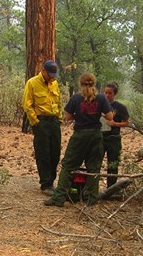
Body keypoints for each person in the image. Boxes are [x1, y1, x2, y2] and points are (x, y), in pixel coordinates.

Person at [45, 72, 113, 207]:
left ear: (80, 84)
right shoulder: (101, 98)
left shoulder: (76, 98)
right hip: (96, 135)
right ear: (94, 83)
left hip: (80, 136)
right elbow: (110, 117)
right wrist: (97, 114)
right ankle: (91, 198)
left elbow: (68, 117)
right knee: (94, 168)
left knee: (68, 166)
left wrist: (80, 116)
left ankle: (59, 197)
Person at [22, 59, 63, 195]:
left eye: (53, 75)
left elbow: (59, 103)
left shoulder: (54, 84)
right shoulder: (32, 83)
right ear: (43, 70)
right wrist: (36, 123)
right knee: (43, 153)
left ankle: (51, 181)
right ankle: (45, 184)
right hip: (41, 122)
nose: (51, 77)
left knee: (55, 153)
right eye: (49, 74)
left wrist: (59, 119)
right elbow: (27, 104)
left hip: (54, 122)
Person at [102, 82, 130, 188]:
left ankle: (111, 188)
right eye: (106, 93)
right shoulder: (100, 104)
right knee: (95, 162)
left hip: (114, 138)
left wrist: (116, 124)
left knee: (113, 165)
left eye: (110, 93)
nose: (107, 95)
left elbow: (127, 122)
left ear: (115, 94)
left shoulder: (120, 107)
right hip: (100, 137)